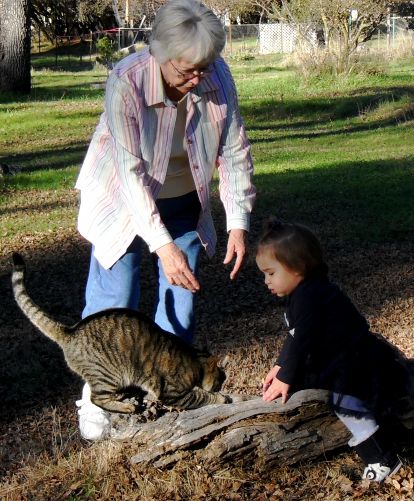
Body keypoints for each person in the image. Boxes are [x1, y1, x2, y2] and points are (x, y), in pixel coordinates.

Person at [74, 0, 256, 440]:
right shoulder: (127, 81)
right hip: (122, 198)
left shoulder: (217, 75)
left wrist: (237, 221)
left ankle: (169, 391)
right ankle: (97, 395)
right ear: (159, 52)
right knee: (116, 294)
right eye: (186, 69)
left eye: (204, 67)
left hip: (182, 197)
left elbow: (233, 152)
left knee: (182, 297)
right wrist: (162, 244)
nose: (197, 78)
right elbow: (129, 172)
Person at [255, 218, 414, 482]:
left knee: (347, 404)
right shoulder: (302, 292)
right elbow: (294, 336)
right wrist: (279, 367)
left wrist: (285, 377)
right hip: (333, 358)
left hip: (353, 360)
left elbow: (302, 338)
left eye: (271, 273)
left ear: (298, 267)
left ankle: (382, 458)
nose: (266, 281)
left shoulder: (310, 295)